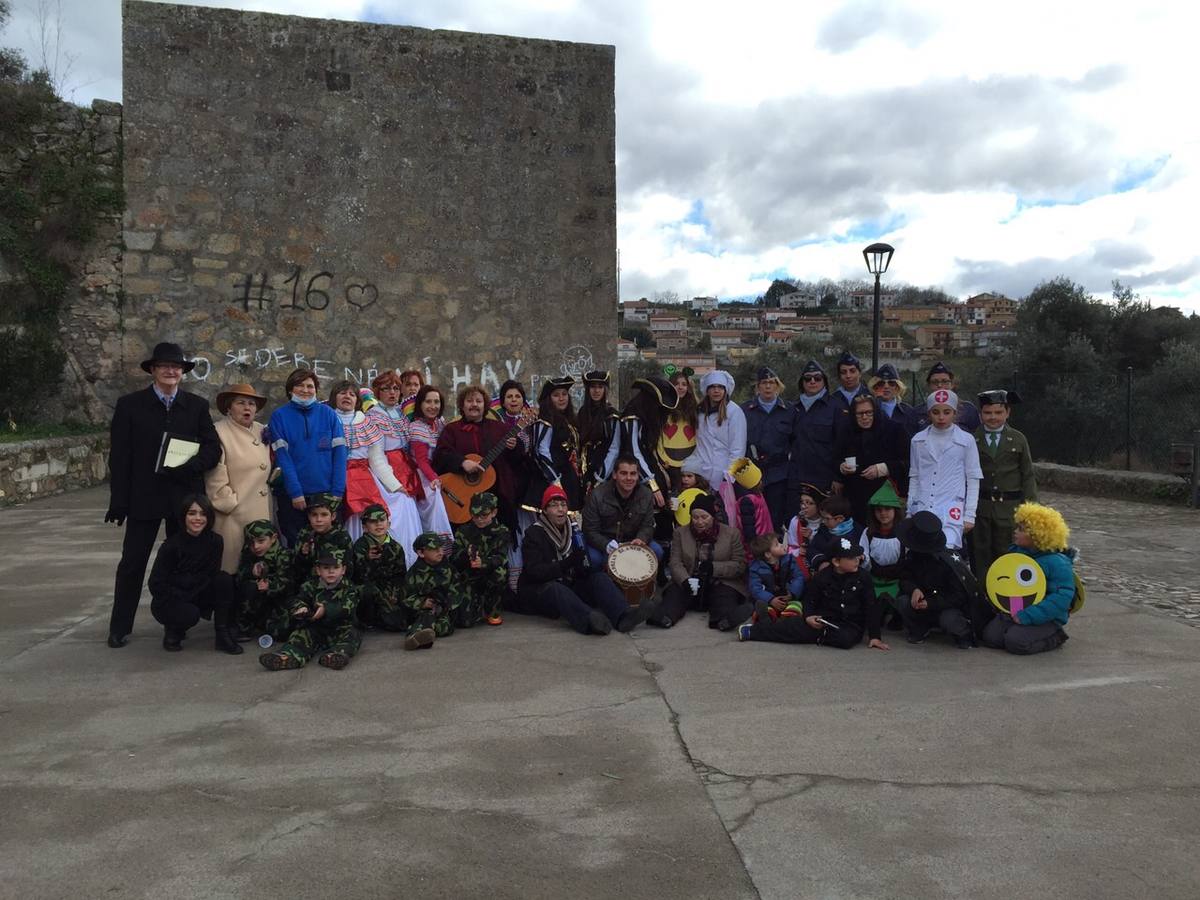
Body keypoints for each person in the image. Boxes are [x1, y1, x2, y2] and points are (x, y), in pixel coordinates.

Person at [105, 341, 221, 648]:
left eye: (177, 367)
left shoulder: (196, 406)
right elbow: (120, 457)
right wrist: (118, 500)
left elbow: (212, 447)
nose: (171, 371)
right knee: (132, 562)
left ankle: (175, 625)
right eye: (165, 366)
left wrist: (190, 466)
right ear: (154, 371)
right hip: (144, 496)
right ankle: (120, 626)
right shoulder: (130, 405)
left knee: (181, 563)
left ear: (182, 372)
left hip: (183, 499)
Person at [512, 485, 646, 635]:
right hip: (539, 590)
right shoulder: (534, 534)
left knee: (598, 578)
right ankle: (588, 621)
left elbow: (581, 568)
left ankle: (623, 616)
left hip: (566, 582)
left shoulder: (573, 529)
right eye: (554, 505)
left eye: (563, 505)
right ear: (545, 510)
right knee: (556, 589)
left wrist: (583, 563)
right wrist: (567, 563)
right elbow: (534, 572)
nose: (561, 509)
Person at [739, 536, 889, 651]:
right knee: (792, 627)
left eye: (858, 556)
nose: (857, 560)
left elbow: (870, 606)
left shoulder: (863, 577)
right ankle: (753, 631)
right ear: (836, 562)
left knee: (846, 640)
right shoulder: (822, 577)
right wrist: (809, 616)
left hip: (849, 625)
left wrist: (875, 636)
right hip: (822, 619)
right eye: (851, 558)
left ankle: (816, 635)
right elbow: (810, 599)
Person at [329, 380, 420, 549]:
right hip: (334, 477)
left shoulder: (366, 423)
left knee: (401, 501)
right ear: (334, 397)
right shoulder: (327, 420)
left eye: (351, 394)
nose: (347, 397)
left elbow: (377, 460)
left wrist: (395, 485)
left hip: (363, 477)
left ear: (358, 400)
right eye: (342, 393)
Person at [147, 494, 241, 654]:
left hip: (198, 590)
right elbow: (156, 583)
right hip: (171, 597)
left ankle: (222, 634)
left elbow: (212, 573)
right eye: (192, 513)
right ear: (184, 516)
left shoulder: (215, 541)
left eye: (203, 514)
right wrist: (182, 596)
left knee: (224, 579)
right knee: (189, 614)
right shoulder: (171, 546)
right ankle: (173, 629)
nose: (198, 518)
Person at [981, 502, 1075, 655]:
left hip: (1047, 617)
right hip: (1017, 609)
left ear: (1037, 535)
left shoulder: (1057, 563)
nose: (1015, 532)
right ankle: (1017, 627)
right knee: (991, 638)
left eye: (1021, 529)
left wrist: (1029, 615)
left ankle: (1056, 636)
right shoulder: (1017, 553)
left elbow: (1062, 598)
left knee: (1016, 643)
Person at [267, 368, 347, 546]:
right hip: (295, 499)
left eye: (310, 386)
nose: (305, 390)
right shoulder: (279, 417)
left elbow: (340, 455)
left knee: (330, 550)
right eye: (299, 385)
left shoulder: (329, 414)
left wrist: (337, 492)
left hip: (327, 495)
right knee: (299, 548)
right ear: (290, 390)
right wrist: (296, 493)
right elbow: (283, 458)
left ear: (316, 390)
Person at [435, 384, 527, 532]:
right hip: (461, 500)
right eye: (469, 401)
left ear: (485, 405)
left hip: (496, 499)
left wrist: (515, 447)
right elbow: (441, 455)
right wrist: (462, 463)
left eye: (478, 401)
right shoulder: (451, 430)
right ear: (462, 405)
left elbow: (518, 460)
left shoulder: (500, 428)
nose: (474, 405)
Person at [654, 493, 750, 631]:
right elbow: (675, 562)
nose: (699, 522)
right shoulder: (680, 533)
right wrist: (684, 580)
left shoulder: (731, 534)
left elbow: (739, 565)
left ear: (712, 516)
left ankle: (725, 620)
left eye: (704, 517)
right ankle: (664, 617)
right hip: (690, 580)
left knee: (724, 597)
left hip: (719, 581)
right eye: (695, 517)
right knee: (675, 594)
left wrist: (713, 568)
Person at [205, 382, 271, 574]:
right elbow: (215, 475)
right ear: (229, 407)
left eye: (251, 403)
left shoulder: (261, 430)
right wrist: (230, 503)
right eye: (240, 403)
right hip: (233, 516)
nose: (247, 408)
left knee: (259, 571)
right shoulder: (219, 432)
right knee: (233, 567)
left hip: (261, 512)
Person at [259, 548, 362, 671]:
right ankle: (287, 657)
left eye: (335, 567)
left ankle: (334, 656)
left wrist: (325, 610)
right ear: (318, 570)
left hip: (339, 628)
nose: (331, 571)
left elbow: (347, 607)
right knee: (299, 635)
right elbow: (298, 599)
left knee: (352, 635)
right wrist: (301, 608)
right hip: (315, 627)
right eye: (326, 568)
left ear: (343, 570)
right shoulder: (309, 586)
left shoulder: (349, 587)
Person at [896, 510, 983, 648]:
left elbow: (958, 597)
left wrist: (931, 603)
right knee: (903, 601)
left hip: (946, 607)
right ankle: (920, 629)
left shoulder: (948, 563)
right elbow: (904, 577)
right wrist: (914, 589)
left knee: (949, 619)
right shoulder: (913, 556)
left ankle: (963, 633)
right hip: (921, 603)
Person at [973, 389, 1037, 578]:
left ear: (1008, 413)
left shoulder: (1018, 438)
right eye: (987, 412)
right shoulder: (971, 439)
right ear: (980, 414)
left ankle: (1012, 603)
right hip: (980, 509)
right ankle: (983, 602)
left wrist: (1031, 510)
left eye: (998, 412)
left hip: (1009, 509)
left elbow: (1027, 475)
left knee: (1009, 556)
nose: (993, 417)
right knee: (980, 557)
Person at [908, 389, 982, 550]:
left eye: (946, 412)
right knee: (922, 554)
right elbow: (914, 476)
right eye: (936, 412)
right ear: (929, 413)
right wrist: (909, 509)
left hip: (951, 509)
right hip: (923, 507)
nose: (941, 417)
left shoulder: (966, 441)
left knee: (946, 555)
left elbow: (973, 479)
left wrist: (970, 514)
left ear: (955, 413)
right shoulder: (918, 440)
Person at [366, 370, 426, 565]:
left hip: (405, 468)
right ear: (377, 392)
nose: (392, 393)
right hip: (388, 474)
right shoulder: (374, 416)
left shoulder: (400, 413)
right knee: (401, 509)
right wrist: (393, 484)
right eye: (386, 389)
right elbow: (376, 456)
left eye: (395, 388)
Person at [832, 393, 909, 527]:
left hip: (886, 495)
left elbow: (908, 462)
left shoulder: (894, 430)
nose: (864, 417)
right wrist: (841, 467)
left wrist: (883, 468)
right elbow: (835, 458)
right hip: (855, 496)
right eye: (859, 414)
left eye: (869, 412)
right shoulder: (846, 431)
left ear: (876, 411)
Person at [488, 379, 536, 592]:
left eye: (517, 396)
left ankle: (530, 579)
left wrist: (517, 448)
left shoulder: (531, 422)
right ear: (503, 400)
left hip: (524, 485)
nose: (514, 400)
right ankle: (512, 585)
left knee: (525, 531)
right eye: (509, 396)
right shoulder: (495, 424)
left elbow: (531, 453)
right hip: (501, 484)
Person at [582, 455, 660, 572]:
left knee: (657, 551)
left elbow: (648, 525)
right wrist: (606, 544)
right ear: (614, 475)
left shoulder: (647, 495)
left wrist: (641, 539)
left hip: (632, 542)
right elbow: (589, 530)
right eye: (623, 473)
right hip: (604, 543)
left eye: (633, 474)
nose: (629, 478)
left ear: (638, 475)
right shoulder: (597, 495)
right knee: (593, 559)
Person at [741, 366, 794, 528]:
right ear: (758, 387)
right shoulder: (744, 410)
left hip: (779, 474)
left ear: (778, 386)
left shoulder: (790, 410)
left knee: (775, 520)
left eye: (772, 383)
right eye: (764, 383)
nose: (768, 386)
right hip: (751, 473)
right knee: (752, 518)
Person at [403, 531, 470, 650]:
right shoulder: (413, 574)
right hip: (423, 610)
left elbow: (457, 588)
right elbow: (406, 597)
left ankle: (423, 636)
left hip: (445, 609)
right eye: (434, 549)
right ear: (421, 553)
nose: (440, 552)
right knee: (427, 616)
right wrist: (423, 602)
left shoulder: (448, 569)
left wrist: (446, 604)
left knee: (443, 627)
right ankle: (413, 637)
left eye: (441, 547)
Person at [451, 492, 511, 626]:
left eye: (484, 515)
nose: (479, 519)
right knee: (465, 622)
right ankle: (477, 607)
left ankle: (493, 609)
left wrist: (483, 563)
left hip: (490, 574)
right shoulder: (463, 531)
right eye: (475, 515)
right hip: (469, 576)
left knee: (500, 573)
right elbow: (454, 557)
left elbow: (501, 557)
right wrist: (466, 556)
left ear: (494, 512)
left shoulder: (502, 531)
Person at [786, 360, 838, 512]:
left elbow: (842, 444)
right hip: (797, 478)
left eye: (817, 377)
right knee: (797, 522)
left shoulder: (835, 407)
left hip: (824, 479)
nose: (812, 381)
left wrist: (837, 477)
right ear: (802, 382)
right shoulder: (793, 409)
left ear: (824, 381)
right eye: (808, 378)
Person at [407, 384, 454, 548]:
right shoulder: (417, 427)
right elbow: (421, 460)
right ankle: (437, 544)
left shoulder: (439, 423)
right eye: (428, 402)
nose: (433, 406)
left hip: (438, 472)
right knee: (434, 497)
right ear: (420, 404)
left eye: (436, 402)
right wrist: (433, 478)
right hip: (423, 475)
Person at [526, 376, 583, 511]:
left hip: (569, 478)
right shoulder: (544, 421)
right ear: (549, 399)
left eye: (564, 394)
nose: (561, 398)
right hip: (550, 480)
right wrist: (555, 480)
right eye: (556, 395)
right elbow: (541, 451)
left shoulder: (570, 420)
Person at [350, 503, 409, 632]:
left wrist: (394, 593)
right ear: (365, 527)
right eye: (373, 521)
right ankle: (369, 620)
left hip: (389, 588)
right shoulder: (360, 546)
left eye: (382, 520)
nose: (379, 524)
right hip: (370, 587)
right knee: (367, 592)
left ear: (388, 523)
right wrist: (368, 560)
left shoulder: (396, 547)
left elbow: (401, 575)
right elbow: (356, 575)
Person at [234, 519, 295, 642]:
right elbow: (239, 577)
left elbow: (288, 582)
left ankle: (264, 622)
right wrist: (251, 571)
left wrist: (270, 586)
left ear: (273, 538)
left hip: (280, 599)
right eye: (251, 543)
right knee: (248, 588)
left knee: (281, 632)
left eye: (261, 541)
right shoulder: (249, 553)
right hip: (257, 599)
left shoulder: (284, 555)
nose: (256, 546)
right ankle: (244, 627)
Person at [857, 481, 906, 626]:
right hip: (875, 581)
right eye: (879, 510)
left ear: (895, 510)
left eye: (887, 509)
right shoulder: (868, 532)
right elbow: (863, 552)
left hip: (897, 583)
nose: (883, 513)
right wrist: (862, 558)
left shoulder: (903, 532)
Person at [692, 370, 746, 489]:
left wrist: (728, 478)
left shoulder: (734, 412)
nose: (716, 391)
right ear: (707, 390)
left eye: (720, 387)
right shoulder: (699, 412)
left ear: (726, 390)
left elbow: (737, 449)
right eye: (712, 387)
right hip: (700, 475)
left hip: (723, 475)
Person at [291, 492, 353, 588]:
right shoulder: (305, 533)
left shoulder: (341, 536)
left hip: (336, 586)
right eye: (314, 515)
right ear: (309, 517)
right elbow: (296, 566)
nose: (318, 519)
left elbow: (348, 569)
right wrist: (303, 554)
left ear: (333, 516)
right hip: (309, 584)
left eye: (324, 515)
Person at [720, 458, 774, 562]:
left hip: (764, 540)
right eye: (760, 480)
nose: (762, 482)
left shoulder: (758, 495)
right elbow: (748, 526)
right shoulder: (747, 500)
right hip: (756, 545)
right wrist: (753, 545)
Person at [576, 370, 619, 493]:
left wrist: (600, 477)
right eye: (593, 387)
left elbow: (614, 448)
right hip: (584, 468)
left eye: (600, 387)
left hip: (604, 468)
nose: (596, 391)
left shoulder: (612, 415)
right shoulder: (582, 412)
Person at [747, 533, 806, 622]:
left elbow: (798, 576)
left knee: (796, 606)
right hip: (769, 598)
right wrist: (770, 599)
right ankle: (767, 618)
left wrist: (793, 593)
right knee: (763, 607)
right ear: (768, 554)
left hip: (788, 595)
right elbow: (755, 588)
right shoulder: (756, 568)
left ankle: (786, 618)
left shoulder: (789, 559)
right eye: (777, 545)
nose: (782, 545)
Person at [658, 365, 699, 492]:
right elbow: (658, 438)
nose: (680, 387)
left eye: (684, 384)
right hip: (668, 463)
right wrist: (661, 459)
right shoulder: (662, 409)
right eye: (676, 384)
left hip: (690, 462)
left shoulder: (696, 410)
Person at [918, 362, 981, 433]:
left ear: (952, 384)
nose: (939, 385)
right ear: (929, 385)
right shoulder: (918, 412)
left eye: (945, 381)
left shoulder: (968, 409)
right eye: (935, 382)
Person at [807, 494, 858, 573]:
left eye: (826, 518)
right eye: (822, 517)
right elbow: (813, 549)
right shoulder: (823, 530)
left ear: (840, 518)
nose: (823, 521)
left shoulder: (858, 532)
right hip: (826, 573)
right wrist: (821, 562)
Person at [869, 363, 920, 437]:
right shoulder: (868, 410)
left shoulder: (909, 412)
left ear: (897, 388)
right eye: (881, 383)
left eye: (891, 383)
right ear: (875, 387)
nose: (886, 387)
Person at [829, 351, 872, 436]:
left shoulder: (871, 397)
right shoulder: (832, 400)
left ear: (859, 373)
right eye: (843, 372)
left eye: (852, 371)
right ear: (839, 376)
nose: (848, 376)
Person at [784, 485, 824, 562]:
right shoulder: (795, 521)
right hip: (801, 564)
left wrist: (811, 537)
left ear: (819, 505)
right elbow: (790, 547)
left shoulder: (826, 521)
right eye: (802, 502)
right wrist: (798, 551)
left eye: (809, 503)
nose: (803, 506)